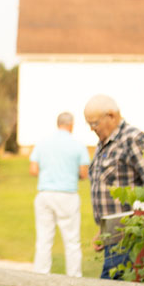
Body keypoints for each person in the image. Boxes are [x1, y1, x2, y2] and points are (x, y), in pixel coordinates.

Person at [83, 94, 144, 279]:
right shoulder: (104, 143)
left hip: (129, 237)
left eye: (94, 123)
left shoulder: (133, 139)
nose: (91, 129)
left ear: (111, 115)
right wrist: (103, 231)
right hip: (112, 233)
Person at [30, 112, 90, 277]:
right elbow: (84, 174)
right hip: (67, 195)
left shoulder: (42, 143)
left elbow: (33, 170)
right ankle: (74, 278)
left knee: (44, 239)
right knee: (72, 240)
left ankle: (41, 276)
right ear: (71, 125)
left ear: (58, 124)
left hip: (45, 194)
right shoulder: (78, 145)